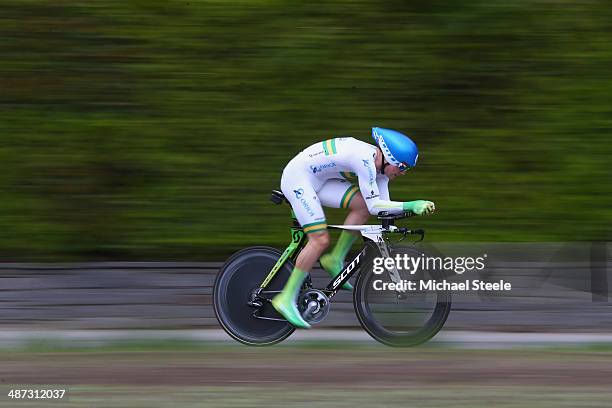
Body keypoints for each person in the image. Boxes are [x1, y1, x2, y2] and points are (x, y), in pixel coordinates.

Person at [272, 127, 436, 328]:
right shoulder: (364, 160)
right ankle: (286, 298)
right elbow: (377, 205)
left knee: (362, 206)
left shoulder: (381, 170)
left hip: (321, 180)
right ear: (389, 158)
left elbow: (381, 208)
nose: (403, 173)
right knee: (320, 240)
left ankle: (335, 259)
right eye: (402, 167)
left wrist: (414, 210)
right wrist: (412, 204)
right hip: (298, 178)